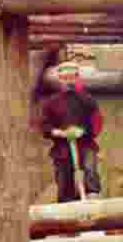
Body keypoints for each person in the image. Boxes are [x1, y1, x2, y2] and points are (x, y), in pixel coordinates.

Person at [39, 59, 103, 202]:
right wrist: (59, 133)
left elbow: (97, 121)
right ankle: (66, 204)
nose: (68, 81)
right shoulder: (51, 102)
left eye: (72, 77)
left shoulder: (87, 100)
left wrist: (84, 131)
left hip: (86, 144)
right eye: (65, 78)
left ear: (77, 78)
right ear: (60, 79)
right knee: (64, 177)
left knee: (90, 170)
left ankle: (93, 200)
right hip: (62, 148)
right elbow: (44, 126)